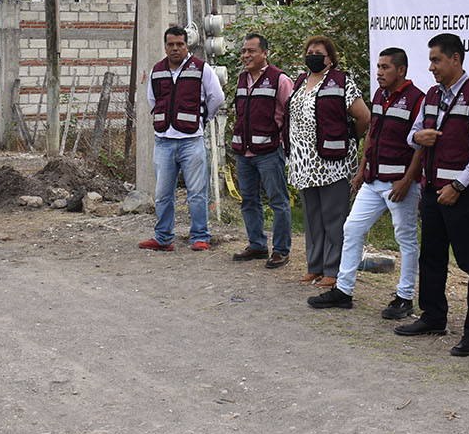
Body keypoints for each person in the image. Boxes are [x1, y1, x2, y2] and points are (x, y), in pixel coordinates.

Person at [395, 33, 469, 356]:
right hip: (431, 191)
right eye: (430, 61)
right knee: (431, 257)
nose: (431, 67)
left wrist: (458, 185)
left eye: (436, 60)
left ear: (455, 59)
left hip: (462, 194)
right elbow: (412, 134)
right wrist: (418, 138)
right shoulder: (432, 95)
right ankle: (433, 316)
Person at [308, 47, 425, 320]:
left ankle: (404, 297)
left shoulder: (417, 99)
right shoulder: (380, 95)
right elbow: (372, 134)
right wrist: (361, 170)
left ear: (401, 70)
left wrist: (408, 180)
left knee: (405, 239)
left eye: (385, 67)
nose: (379, 72)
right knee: (352, 228)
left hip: (399, 185)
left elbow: (420, 146)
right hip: (373, 180)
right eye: (378, 67)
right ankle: (343, 290)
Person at [285, 36, 371, 288]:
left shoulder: (342, 82)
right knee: (312, 218)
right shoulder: (300, 81)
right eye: (309, 51)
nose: (312, 55)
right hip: (304, 163)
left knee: (334, 218)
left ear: (330, 58)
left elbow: (364, 117)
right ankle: (315, 267)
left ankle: (333, 270)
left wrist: (350, 138)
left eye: (318, 52)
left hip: (333, 163)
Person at [139, 25, 225, 252]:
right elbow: (152, 99)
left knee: (197, 193)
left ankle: (200, 237)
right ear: (165, 47)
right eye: (171, 44)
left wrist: (204, 118)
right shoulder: (157, 70)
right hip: (163, 141)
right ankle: (163, 238)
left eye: (180, 44)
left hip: (191, 141)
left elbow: (217, 97)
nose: (175, 48)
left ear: (187, 46)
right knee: (162, 194)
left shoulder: (201, 68)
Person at [230, 32, 295, 268]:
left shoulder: (280, 80)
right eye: (243, 51)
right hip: (244, 153)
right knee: (249, 200)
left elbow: (292, 116)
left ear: (265, 53)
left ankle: (281, 251)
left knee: (278, 201)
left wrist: (287, 148)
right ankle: (257, 245)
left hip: (269, 152)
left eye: (251, 51)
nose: (246, 55)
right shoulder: (241, 79)